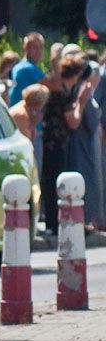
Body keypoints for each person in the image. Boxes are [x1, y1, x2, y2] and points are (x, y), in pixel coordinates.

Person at [41, 53, 88, 237]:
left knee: (53, 183)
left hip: (52, 142)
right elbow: (73, 122)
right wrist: (82, 103)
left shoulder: (60, 91)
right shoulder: (63, 93)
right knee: (55, 184)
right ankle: (54, 223)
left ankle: (54, 222)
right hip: (55, 144)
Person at [66, 61, 105, 232]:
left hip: (87, 143)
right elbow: (89, 119)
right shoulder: (81, 91)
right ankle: (86, 220)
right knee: (86, 181)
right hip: (84, 145)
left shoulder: (80, 89)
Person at [9, 33, 45, 106]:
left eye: (41, 47)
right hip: (23, 114)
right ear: (26, 48)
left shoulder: (19, 66)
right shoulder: (28, 68)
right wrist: (54, 60)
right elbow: (55, 86)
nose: (39, 51)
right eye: (34, 47)